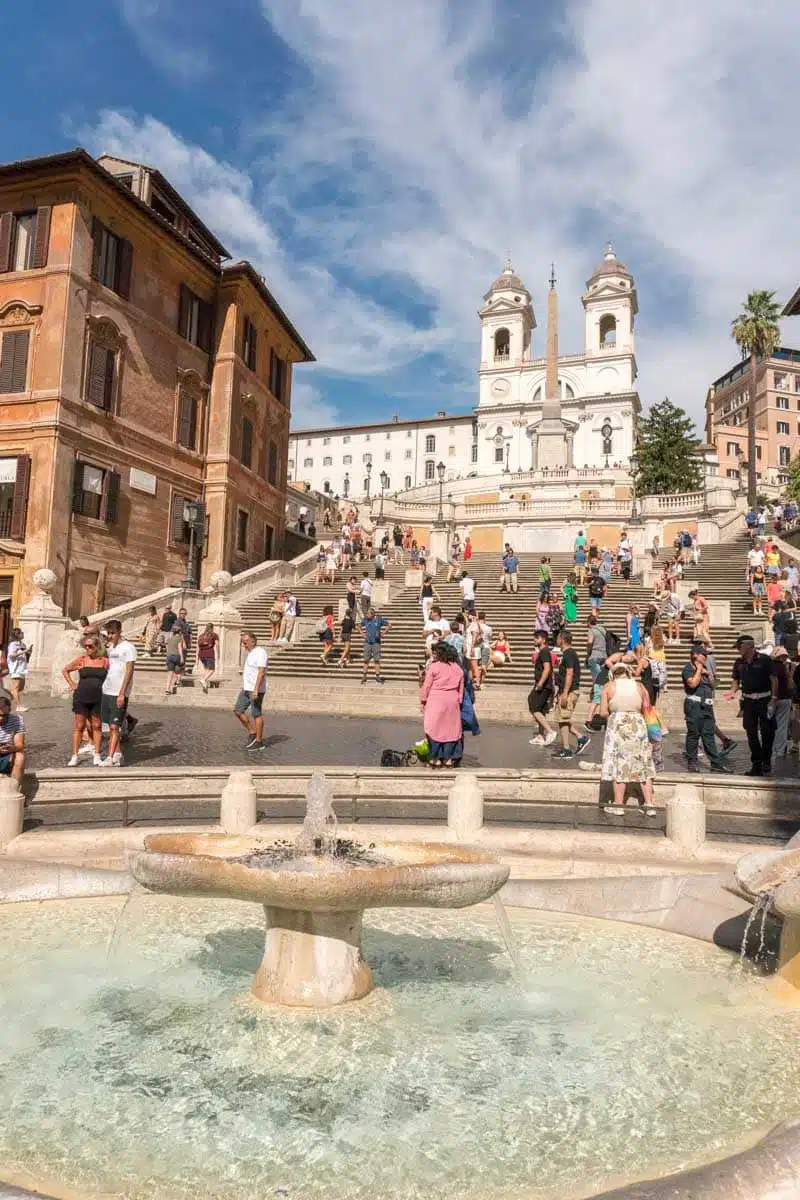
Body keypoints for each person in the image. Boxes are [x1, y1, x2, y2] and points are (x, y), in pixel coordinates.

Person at [599, 661, 657, 814]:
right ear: (628, 673)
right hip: (638, 723)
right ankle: (649, 804)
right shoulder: (640, 686)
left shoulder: (609, 687)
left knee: (620, 764)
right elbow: (648, 708)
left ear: (613, 674)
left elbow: (603, 712)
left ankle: (618, 806)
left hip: (618, 724)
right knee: (643, 762)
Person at [725, 635, 778, 776]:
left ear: (748, 645)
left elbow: (774, 679)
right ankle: (757, 764)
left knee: (768, 731)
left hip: (765, 699)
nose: (738, 650)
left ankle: (766, 758)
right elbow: (736, 680)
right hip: (748, 701)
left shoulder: (765, 660)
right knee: (751, 732)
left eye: (739, 647)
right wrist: (732, 691)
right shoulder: (738, 663)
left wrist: (774, 698)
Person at [62, 635, 108, 767]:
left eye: (90, 646)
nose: (87, 648)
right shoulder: (81, 660)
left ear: (97, 647)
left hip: (98, 697)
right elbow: (65, 670)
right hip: (81, 696)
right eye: (86, 646)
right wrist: (72, 684)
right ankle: (75, 756)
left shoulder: (104, 661)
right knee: (79, 727)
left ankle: (97, 755)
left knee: (97, 726)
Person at [419, 641, 465, 768]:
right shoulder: (457, 668)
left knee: (433, 728)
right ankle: (448, 758)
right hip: (452, 700)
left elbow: (427, 685)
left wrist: (423, 700)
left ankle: (435, 758)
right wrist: (459, 702)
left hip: (436, 700)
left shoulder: (435, 666)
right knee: (451, 730)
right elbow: (461, 689)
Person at [98, 620, 137, 766]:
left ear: (119, 631)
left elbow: (129, 670)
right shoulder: (111, 648)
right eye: (108, 633)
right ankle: (118, 753)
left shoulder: (129, 647)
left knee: (115, 726)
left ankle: (109, 757)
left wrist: (122, 693)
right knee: (109, 725)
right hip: (107, 689)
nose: (110, 636)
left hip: (119, 691)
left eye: (113, 633)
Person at [552, 630, 590, 760]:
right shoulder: (568, 654)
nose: (556, 639)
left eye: (557, 637)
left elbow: (569, 673)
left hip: (569, 691)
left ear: (562, 639)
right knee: (562, 719)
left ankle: (567, 748)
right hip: (567, 690)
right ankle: (580, 738)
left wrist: (565, 693)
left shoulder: (569, 654)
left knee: (563, 720)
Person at [233, 631, 268, 751]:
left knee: (256, 714)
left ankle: (259, 742)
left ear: (253, 641)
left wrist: (256, 690)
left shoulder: (260, 652)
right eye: (243, 643)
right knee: (238, 710)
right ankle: (252, 732)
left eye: (245, 642)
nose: (244, 645)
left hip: (255, 690)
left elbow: (261, 671)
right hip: (246, 688)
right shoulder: (251, 653)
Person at [528, 630, 557, 746]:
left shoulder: (544, 652)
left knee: (533, 707)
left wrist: (540, 683)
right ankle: (540, 735)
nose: (534, 640)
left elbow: (547, 668)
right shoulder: (543, 652)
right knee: (539, 709)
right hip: (545, 685)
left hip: (543, 686)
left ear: (543, 640)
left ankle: (550, 731)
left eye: (536, 638)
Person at [770, 646, 793, 766]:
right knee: (781, 726)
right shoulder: (783, 667)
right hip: (783, 698)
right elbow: (789, 685)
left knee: (769, 724)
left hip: (772, 699)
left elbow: (774, 681)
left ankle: (773, 748)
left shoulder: (771, 666)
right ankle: (779, 750)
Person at [0, 695, 25, 788]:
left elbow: (20, 745)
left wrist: (12, 748)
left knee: (20, 756)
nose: (1, 718)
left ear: (9, 710)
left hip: (8, 752)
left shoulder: (17, 720)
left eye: (4, 715)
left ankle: (13, 790)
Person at [361, 607, 389, 684]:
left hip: (376, 642)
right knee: (366, 660)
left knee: (376, 660)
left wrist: (383, 633)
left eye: (368, 614)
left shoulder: (379, 619)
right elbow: (358, 626)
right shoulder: (365, 620)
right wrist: (362, 634)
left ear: (373, 614)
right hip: (367, 642)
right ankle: (364, 676)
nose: (366, 615)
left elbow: (389, 625)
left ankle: (377, 676)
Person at [6, 629, 29, 713]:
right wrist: (24, 651)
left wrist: (28, 652)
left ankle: (12, 694)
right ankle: (18, 706)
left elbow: (25, 654)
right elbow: (11, 655)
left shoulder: (22, 644)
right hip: (15, 668)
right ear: (17, 635)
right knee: (16, 687)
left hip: (22, 668)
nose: (23, 634)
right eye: (21, 633)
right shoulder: (13, 644)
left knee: (21, 687)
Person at [196, 623, 219, 692]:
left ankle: (204, 684)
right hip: (209, 653)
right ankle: (203, 680)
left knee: (206, 669)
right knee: (212, 670)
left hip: (201, 653)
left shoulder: (201, 635)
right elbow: (217, 645)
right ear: (212, 628)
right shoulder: (214, 635)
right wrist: (218, 653)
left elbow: (198, 646)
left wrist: (197, 657)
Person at [164, 624, 185, 695]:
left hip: (169, 656)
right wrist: (182, 657)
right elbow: (180, 648)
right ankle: (178, 681)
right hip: (176, 656)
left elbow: (167, 647)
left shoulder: (170, 638)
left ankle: (167, 689)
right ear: (179, 632)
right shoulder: (179, 638)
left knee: (170, 673)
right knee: (179, 670)